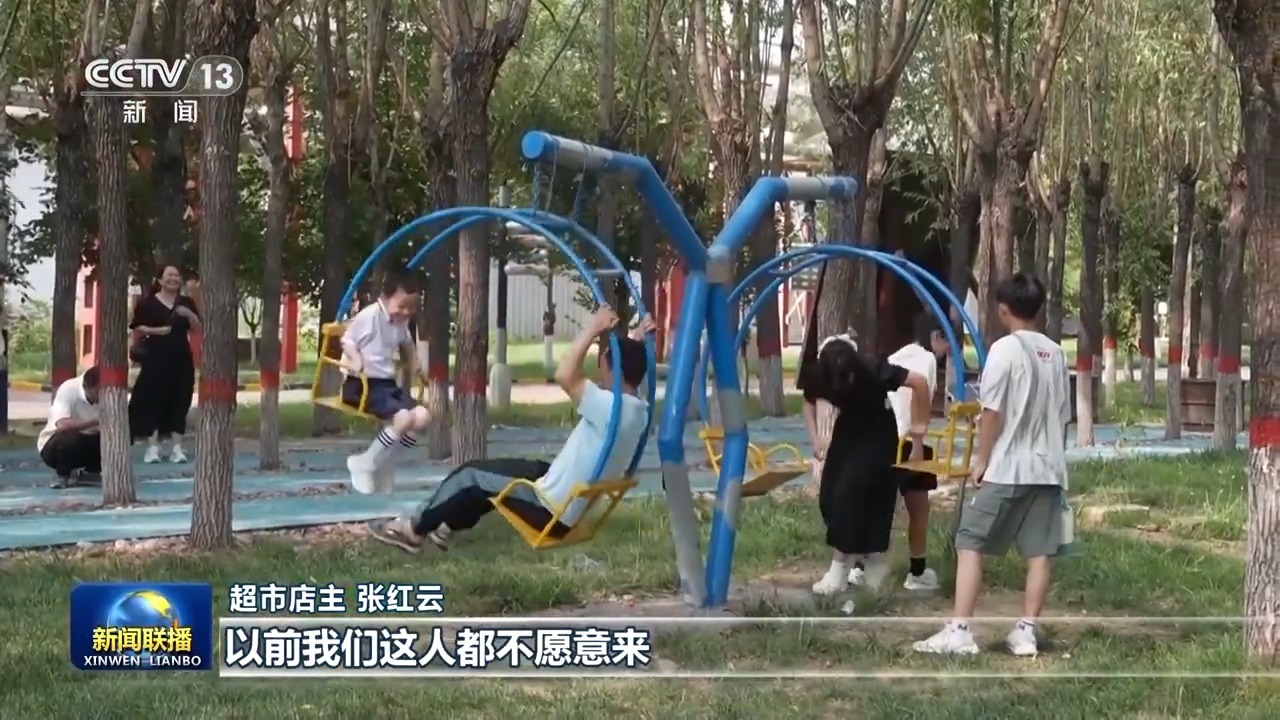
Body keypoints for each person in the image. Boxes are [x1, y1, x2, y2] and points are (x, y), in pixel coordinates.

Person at [367, 306, 652, 552]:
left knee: (470, 475)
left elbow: (565, 374)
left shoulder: (608, 407)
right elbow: (628, 373)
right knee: (500, 473)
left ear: (614, 370)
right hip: (564, 498)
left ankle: (413, 530)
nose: (600, 368)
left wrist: (593, 328)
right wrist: (636, 341)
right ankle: (446, 524)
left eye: (604, 362)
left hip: (549, 510)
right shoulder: (638, 410)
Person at [913, 273, 1071, 657]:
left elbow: (992, 413)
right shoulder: (1057, 352)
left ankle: (960, 630)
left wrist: (981, 460)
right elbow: (1062, 413)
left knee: (970, 538)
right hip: (1049, 468)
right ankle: (1026, 631)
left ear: (1003, 309)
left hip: (1009, 466)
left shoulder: (1004, 350)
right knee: (1039, 552)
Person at [799, 332, 933, 596]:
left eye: (848, 377)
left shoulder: (874, 368)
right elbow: (808, 400)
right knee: (831, 494)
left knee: (858, 491)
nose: (844, 384)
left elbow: (919, 382)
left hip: (878, 433)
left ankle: (846, 569)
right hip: (848, 430)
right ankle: (863, 562)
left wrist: (918, 435)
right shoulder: (820, 375)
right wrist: (815, 439)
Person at [848, 313, 951, 592]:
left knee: (879, 507)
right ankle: (917, 572)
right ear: (936, 337)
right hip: (906, 439)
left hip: (879, 438)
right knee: (918, 508)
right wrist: (917, 441)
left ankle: (860, 567)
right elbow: (918, 393)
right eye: (948, 342)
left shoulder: (896, 357)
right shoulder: (927, 360)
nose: (948, 350)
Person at [339, 274, 431, 495]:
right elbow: (347, 340)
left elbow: (406, 342)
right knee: (403, 418)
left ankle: (382, 462)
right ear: (384, 298)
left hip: (385, 384)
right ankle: (364, 464)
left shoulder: (400, 322)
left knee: (422, 417)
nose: (406, 312)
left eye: (411, 307)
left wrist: (415, 363)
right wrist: (355, 359)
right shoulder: (369, 316)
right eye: (402, 306)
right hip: (361, 385)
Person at [129, 265, 200, 463]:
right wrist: (159, 331)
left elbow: (197, 327)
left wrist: (190, 315)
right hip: (154, 358)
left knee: (180, 400)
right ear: (159, 280)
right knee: (153, 400)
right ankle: (153, 448)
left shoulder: (186, 302)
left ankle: (177, 448)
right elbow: (137, 328)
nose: (173, 279)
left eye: (176, 275)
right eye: (169, 275)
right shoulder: (147, 303)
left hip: (181, 358)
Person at [39, 367, 102, 489]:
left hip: (90, 440)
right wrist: (96, 421)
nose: (102, 396)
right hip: (54, 446)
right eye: (97, 392)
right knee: (69, 438)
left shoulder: (113, 395)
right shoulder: (69, 389)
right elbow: (62, 425)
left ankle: (91, 472)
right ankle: (62, 474)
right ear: (86, 387)